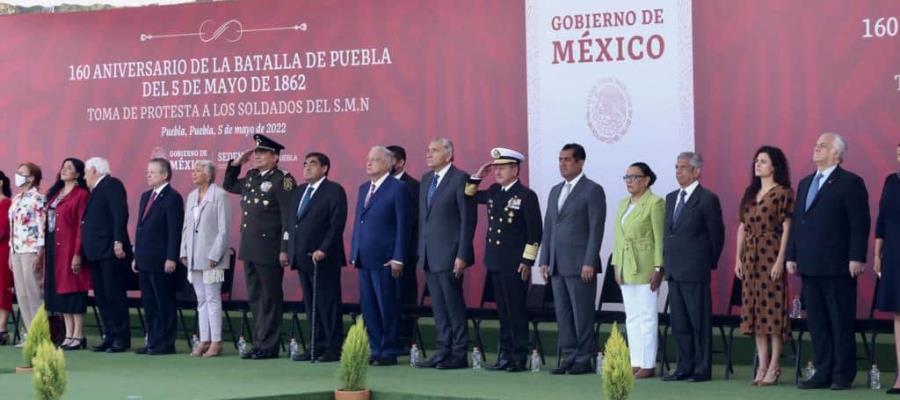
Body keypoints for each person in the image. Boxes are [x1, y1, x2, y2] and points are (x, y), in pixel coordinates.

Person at [787, 132, 870, 390]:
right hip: (809, 265)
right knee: (818, 323)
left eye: (822, 146)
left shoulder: (850, 182)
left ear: (837, 153)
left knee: (840, 320)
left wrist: (857, 257)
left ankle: (842, 373)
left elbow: (859, 223)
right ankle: (822, 371)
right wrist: (792, 255)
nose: (816, 148)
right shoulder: (804, 183)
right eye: (816, 145)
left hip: (838, 265)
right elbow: (798, 222)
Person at [467, 147, 542, 372]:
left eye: (502, 168)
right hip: (496, 261)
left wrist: (527, 262)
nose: (497, 172)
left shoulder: (526, 196)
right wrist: (478, 175)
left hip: (515, 263)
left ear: (515, 169)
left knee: (516, 311)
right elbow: (469, 195)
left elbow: (535, 233)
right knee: (503, 312)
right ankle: (505, 355)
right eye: (496, 167)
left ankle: (518, 357)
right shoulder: (493, 191)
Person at [225, 134, 295, 360]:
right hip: (250, 247)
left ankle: (270, 345)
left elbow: (287, 217)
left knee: (270, 298)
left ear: (275, 157)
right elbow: (229, 185)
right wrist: (237, 163)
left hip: (270, 248)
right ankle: (259, 343)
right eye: (255, 153)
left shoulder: (283, 179)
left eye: (262, 153)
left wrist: (285, 247)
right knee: (256, 297)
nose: (257, 156)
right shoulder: (253, 176)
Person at [539, 143, 606, 375]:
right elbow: (549, 228)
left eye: (567, 159)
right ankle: (568, 355)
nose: (563, 164)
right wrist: (544, 259)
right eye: (560, 159)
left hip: (580, 264)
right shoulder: (555, 190)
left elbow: (596, 229)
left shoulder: (592, 190)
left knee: (582, 313)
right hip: (557, 263)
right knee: (564, 313)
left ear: (580, 162)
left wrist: (589, 261)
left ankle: (584, 357)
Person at [661, 152, 725, 383]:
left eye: (684, 167)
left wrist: (705, 263)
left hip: (695, 269)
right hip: (674, 270)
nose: (679, 171)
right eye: (677, 167)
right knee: (679, 322)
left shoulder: (707, 199)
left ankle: (701, 368)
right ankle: (683, 366)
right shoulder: (670, 198)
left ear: (697, 171)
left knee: (699, 322)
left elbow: (716, 236)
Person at [733, 146, 794, 386]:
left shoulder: (783, 193)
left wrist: (780, 259)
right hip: (751, 259)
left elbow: (788, 227)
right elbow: (742, 227)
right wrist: (738, 258)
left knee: (773, 312)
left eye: (763, 161)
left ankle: (775, 365)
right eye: (756, 161)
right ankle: (762, 364)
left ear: (774, 166)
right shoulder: (751, 192)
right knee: (756, 313)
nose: (757, 165)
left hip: (771, 256)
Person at [415, 138, 476, 370]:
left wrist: (462, 254)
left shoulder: (460, 178)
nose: (429, 154)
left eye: (434, 150)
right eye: (428, 150)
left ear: (449, 155)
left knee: (453, 305)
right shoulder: (426, 179)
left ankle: (459, 353)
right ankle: (442, 351)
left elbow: (467, 220)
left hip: (451, 254)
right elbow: (425, 218)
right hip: (430, 254)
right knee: (438, 307)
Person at [282, 152, 347, 362]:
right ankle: (315, 345)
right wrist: (288, 249)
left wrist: (324, 249)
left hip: (323, 259)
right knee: (310, 304)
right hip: (302, 258)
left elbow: (336, 225)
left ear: (325, 168)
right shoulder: (300, 190)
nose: (307, 168)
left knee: (327, 303)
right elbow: (292, 223)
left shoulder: (334, 190)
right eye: (305, 164)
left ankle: (332, 347)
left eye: (312, 164)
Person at [350, 146, 408, 366]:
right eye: (368, 158)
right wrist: (355, 251)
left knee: (387, 305)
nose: (369, 163)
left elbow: (403, 225)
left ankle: (389, 350)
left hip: (386, 258)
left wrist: (399, 257)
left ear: (388, 163)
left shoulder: (397, 188)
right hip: (364, 257)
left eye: (374, 159)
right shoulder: (364, 188)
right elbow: (359, 222)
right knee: (369, 307)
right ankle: (375, 348)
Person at [610, 162, 664, 379]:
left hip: (645, 265)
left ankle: (649, 363)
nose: (629, 181)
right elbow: (618, 237)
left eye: (634, 177)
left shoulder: (655, 203)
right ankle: (636, 361)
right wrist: (616, 264)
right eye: (626, 177)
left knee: (647, 315)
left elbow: (659, 239)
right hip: (626, 265)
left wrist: (658, 267)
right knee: (631, 316)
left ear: (646, 180)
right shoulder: (624, 203)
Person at [133, 158, 184, 355]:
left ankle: (166, 343)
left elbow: (174, 230)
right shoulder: (146, 196)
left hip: (162, 259)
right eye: (148, 171)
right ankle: (152, 341)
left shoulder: (172, 197)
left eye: (153, 172)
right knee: (150, 303)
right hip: (145, 258)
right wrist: (137, 255)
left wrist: (171, 257)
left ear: (164, 175)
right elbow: (140, 227)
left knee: (164, 302)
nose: (149, 175)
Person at [180, 160, 231, 358]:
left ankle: (216, 342)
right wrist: (184, 250)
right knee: (201, 299)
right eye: (193, 170)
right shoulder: (192, 196)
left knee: (212, 298)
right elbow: (186, 226)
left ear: (209, 175)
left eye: (198, 171)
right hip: (194, 255)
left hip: (212, 258)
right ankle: (204, 340)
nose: (194, 174)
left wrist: (215, 254)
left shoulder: (220, 195)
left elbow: (224, 229)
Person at [82, 157, 133, 353]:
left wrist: (118, 240)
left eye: (86, 172)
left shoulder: (112, 184)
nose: (84, 176)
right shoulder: (95, 191)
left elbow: (119, 214)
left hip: (110, 250)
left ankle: (121, 337)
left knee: (114, 294)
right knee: (102, 296)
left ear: (94, 170)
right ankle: (110, 335)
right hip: (96, 252)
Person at [43, 158, 92, 350]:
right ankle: (67, 334)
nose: (64, 170)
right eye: (63, 167)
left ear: (78, 174)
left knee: (73, 291)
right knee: (59, 293)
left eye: (69, 168)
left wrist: (78, 253)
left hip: (70, 249)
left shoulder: (81, 194)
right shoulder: (56, 194)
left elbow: (81, 226)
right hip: (54, 249)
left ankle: (78, 335)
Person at [9, 162, 46, 344]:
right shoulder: (17, 199)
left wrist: (40, 250)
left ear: (31, 178)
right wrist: (10, 250)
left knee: (33, 292)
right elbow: (13, 226)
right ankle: (30, 333)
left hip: (31, 249)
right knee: (22, 294)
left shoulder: (37, 198)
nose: (18, 175)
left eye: (22, 173)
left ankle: (40, 335)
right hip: (17, 249)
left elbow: (41, 224)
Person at [387, 144, 419, 350]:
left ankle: (405, 339)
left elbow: (411, 222)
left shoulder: (413, 186)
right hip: (382, 252)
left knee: (404, 295)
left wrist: (402, 252)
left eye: (389, 160)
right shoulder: (379, 185)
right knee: (386, 297)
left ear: (400, 162)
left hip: (405, 252)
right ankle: (387, 338)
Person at [875, 143, 900, 394]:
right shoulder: (891, 181)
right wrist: (877, 253)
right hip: (894, 253)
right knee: (898, 312)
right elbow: (882, 219)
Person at [0, 171, 12, 345]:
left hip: (3, 250)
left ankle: (2, 329)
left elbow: (3, 229)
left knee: (2, 287)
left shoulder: (8, 203)